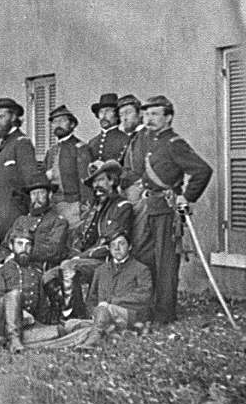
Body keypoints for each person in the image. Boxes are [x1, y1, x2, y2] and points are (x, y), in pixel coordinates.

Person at [135, 95, 212, 324]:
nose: (149, 119)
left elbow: (202, 171)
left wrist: (186, 197)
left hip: (167, 211)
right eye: (146, 114)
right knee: (145, 257)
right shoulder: (150, 141)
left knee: (166, 262)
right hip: (149, 208)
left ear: (168, 118)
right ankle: (148, 307)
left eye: (155, 114)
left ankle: (164, 313)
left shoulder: (174, 143)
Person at [43, 159, 134, 320]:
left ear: (112, 181)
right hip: (87, 260)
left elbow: (111, 244)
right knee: (48, 277)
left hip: (107, 261)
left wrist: (79, 258)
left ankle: (70, 319)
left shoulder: (122, 207)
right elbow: (82, 238)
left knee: (69, 267)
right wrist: (72, 252)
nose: (96, 187)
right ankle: (77, 314)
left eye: (100, 180)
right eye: (93, 183)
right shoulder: (95, 209)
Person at [0, 230, 58, 353]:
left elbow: (42, 306)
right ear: (11, 246)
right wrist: (20, 312)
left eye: (28, 245)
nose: (24, 248)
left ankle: (8, 340)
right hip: (0, 322)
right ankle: (14, 340)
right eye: (19, 244)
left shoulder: (37, 273)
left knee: (60, 331)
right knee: (14, 295)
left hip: (28, 323)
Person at [81, 230, 153, 347]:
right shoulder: (101, 270)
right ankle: (98, 332)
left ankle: (91, 342)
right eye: (113, 245)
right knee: (72, 324)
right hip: (102, 315)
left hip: (128, 316)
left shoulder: (141, 269)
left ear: (129, 247)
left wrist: (113, 302)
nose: (117, 248)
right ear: (109, 249)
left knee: (105, 311)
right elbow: (91, 298)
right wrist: (93, 312)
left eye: (121, 244)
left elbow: (144, 296)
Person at [0, 97, 39, 244]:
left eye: (1, 117)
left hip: (16, 221)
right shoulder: (5, 147)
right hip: (1, 222)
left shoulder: (22, 143)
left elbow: (31, 182)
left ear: (14, 116)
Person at [0, 171, 69, 271]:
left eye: (41, 193)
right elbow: (4, 246)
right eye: (33, 194)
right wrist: (4, 259)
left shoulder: (57, 221)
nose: (37, 198)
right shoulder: (21, 220)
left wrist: (22, 253)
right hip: (12, 266)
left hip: (36, 268)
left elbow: (54, 250)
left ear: (49, 195)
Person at [41, 104, 92, 229]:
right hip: (53, 206)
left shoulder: (80, 148)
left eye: (62, 121)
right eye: (54, 122)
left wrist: (85, 206)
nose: (58, 124)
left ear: (72, 125)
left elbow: (86, 181)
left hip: (73, 206)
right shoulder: (51, 151)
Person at [117, 94, 150, 204]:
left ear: (140, 113)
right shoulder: (132, 138)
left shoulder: (149, 135)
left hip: (143, 194)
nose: (124, 118)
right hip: (128, 193)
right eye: (121, 115)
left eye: (128, 113)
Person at [87, 93, 130, 163]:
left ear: (117, 114)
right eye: (101, 112)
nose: (103, 115)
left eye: (108, 111)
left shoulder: (126, 140)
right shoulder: (92, 142)